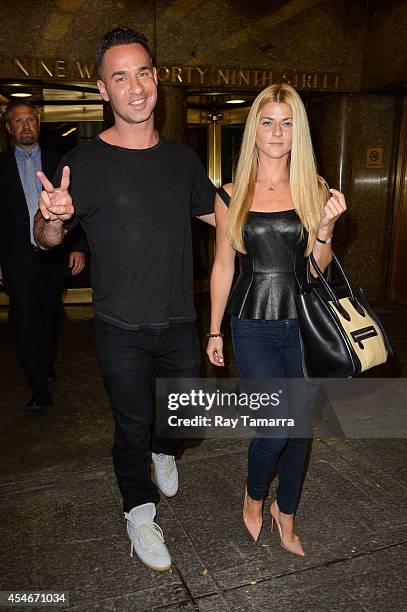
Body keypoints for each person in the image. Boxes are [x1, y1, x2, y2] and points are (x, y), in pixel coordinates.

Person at [34, 27, 215, 572]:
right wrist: (52, 218)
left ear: (155, 79)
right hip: (119, 325)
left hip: (180, 319)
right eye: (120, 77)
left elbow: (222, 219)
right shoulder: (82, 163)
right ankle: (139, 515)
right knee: (131, 426)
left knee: (183, 422)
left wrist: (295, 216)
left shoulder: (182, 160)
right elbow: (44, 238)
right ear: (103, 90)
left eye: (143, 73)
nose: (135, 87)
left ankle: (166, 449)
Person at [206, 83, 346, 556]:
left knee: (299, 429)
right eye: (268, 121)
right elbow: (224, 265)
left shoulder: (315, 187)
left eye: (287, 123)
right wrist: (213, 328)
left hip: (302, 323)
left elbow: (316, 269)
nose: (277, 132)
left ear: (297, 130)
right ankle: (253, 493)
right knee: (275, 428)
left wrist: (324, 230)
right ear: (254, 129)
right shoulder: (231, 191)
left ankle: (286, 513)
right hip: (251, 323)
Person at [0, 101, 86, 410]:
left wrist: (77, 246)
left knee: (50, 316)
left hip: (54, 256)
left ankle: (45, 362)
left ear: (39, 124)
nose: (25, 126)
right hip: (17, 258)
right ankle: (38, 385)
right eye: (18, 121)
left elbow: (77, 208)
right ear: (8, 127)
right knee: (24, 320)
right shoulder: (0, 168)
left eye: (30, 120)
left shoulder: (59, 162)